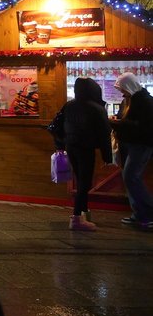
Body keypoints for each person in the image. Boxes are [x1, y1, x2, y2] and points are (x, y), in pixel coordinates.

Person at [49, 78, 113, 231]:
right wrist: (107, 156)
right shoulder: (97, 108)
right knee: (85, 183)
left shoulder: (69, 105)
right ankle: (77, 218)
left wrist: (60, 144)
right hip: (86, 149)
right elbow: (105, 134)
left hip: (71, 147)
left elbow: (56, 125)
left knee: (81, 180)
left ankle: (83, 212)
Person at [111, 72, 153, 231]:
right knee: (129, 177)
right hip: (129, 144)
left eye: (123, 88)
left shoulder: (146, 102)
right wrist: (117, 120)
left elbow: (144, 127)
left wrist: (120, 123)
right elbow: (124, 119)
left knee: (130, 176)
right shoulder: (127, 101)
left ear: (130, 86)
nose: (122, 92)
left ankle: (148, 212)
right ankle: (139, 213)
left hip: (141, 145)